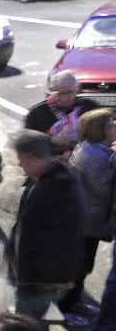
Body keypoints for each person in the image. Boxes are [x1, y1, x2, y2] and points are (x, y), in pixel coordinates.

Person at [6, 129, 84, 320]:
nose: (19, 165)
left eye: (21, 160)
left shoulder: (47, 189)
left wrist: (20, 274)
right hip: (53, 275)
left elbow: (31, 236)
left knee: (26, 325)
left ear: (31, 157)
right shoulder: (61, 175)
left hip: (40, 279)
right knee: (37, 321)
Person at [60, 109, 115, 317]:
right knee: (79, 268)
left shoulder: (96, 149)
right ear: (98, 130)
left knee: (83, 267)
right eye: (110, 125)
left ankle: (74, 302)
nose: (115, 128)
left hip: (88, 221)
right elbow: (105, 189)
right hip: (87, 223)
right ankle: (64, 310)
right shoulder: (94, 155)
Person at [23, 69, 97, 155]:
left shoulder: (88, 107)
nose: (68, 97)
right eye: (61, 93)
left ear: (77, 89)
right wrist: (51, 140)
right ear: (53, 91)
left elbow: (101, 133)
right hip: (50, 159)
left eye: (71, 92)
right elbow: (27, 142)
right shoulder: (38, 113)